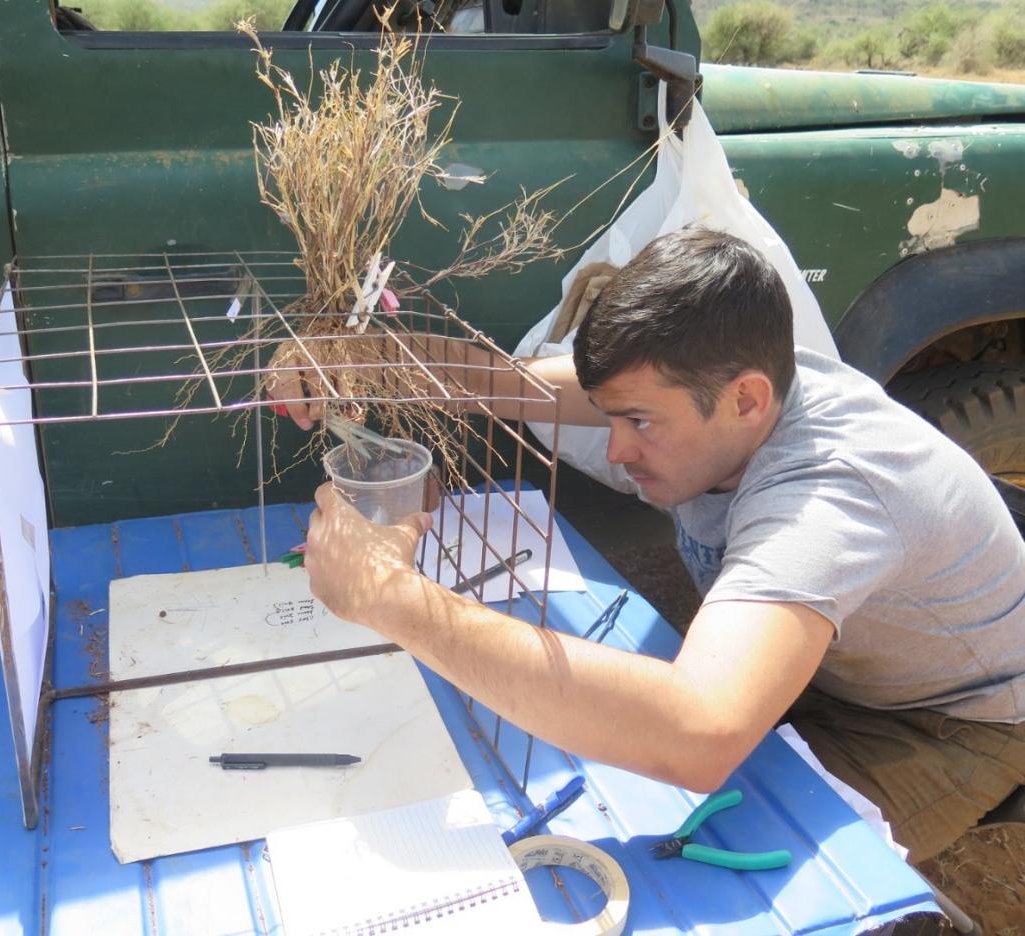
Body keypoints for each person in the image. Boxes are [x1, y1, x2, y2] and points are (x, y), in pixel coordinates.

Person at [274, 226, 1025, 863]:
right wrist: (361, 362)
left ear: (748, 399)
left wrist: (392, 598)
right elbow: (508, 383)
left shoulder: (830, 493)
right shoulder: (704, 385)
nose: (618, 451)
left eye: (639, 423)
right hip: (832, 666)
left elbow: (700, 732)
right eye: (610, 417)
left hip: (942, 722)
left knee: (712, 868)